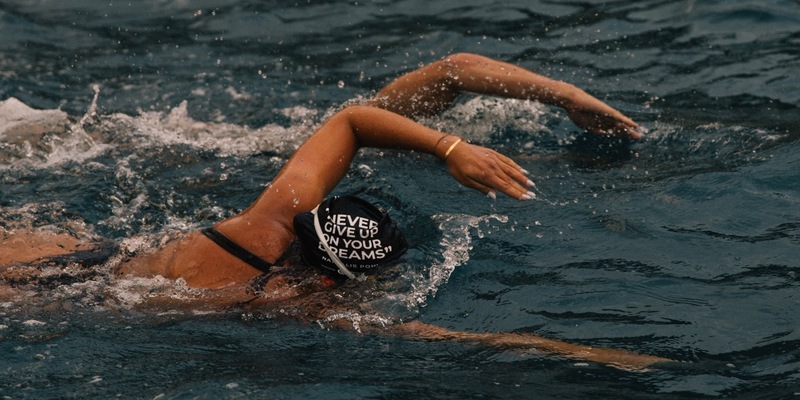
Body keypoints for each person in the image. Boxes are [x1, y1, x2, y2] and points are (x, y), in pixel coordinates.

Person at [1, 53, 667, 370]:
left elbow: (365, 113)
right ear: (329, 279)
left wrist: (452, 147)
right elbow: (457, 342)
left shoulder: (260, 227)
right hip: (41, 296)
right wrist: (588, 352)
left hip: (66, 254)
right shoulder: (296, 304)